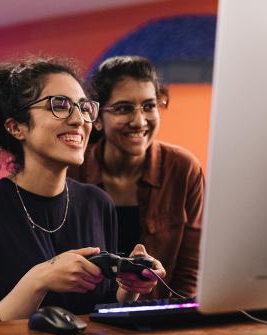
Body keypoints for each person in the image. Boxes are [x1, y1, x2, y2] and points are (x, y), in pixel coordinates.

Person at [0, 57, 166, 324]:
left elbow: (102, 306)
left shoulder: (97, 203)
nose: (79, 120)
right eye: (59, 105)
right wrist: (39, 280)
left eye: (84, 107)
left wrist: (128, 289)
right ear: (16, 127)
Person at [69, 55, 204, 299]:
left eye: (149, 106)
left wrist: (180, 325)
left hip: (159, 321)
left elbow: (189, 272)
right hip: (83, 322)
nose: (139, 121)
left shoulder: (183, 169)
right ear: (97, 119)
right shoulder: (71, 172)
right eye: (124, 109)